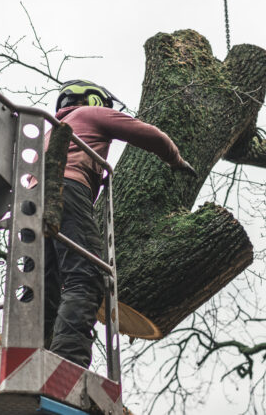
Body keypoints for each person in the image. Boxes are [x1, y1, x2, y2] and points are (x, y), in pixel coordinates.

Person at [43, 80, 196, 368]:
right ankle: (67, 365)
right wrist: (175, 159)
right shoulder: (90, 114)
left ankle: (33, 352)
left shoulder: (48, 133)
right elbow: (147, 134)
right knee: (85, 277)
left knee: (44, 284)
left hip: (32, 203)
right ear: (93, 100)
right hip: (67, 191)